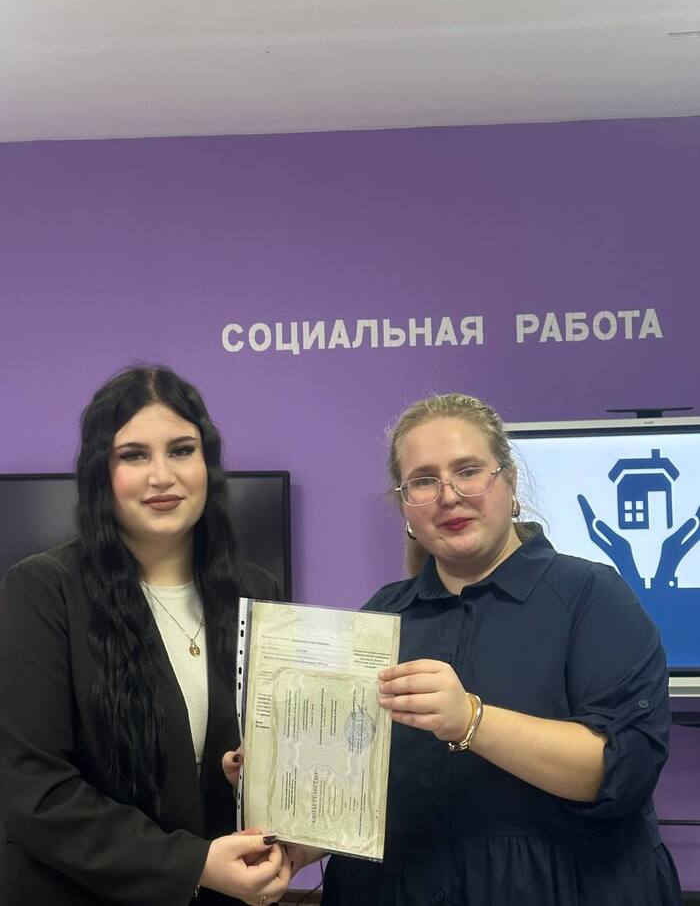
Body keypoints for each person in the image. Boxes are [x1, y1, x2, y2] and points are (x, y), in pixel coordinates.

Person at [316, 393, 682, 906]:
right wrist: (282, 781)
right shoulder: (380, 615)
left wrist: (471, 719)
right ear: (405, 506)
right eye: (424, 480)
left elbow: (623, 770)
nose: (448, 496)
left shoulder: (592, 597)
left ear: (509, 483)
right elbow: (352, 777)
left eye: (468, 471)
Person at [0, 366, 291, 906]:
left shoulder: (257, 592)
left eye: (182, 450)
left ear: (207, 464)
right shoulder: (43, 589)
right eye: (134, 455)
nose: (162, 476)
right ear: (100, 473)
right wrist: (193, 865)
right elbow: (34, 791)